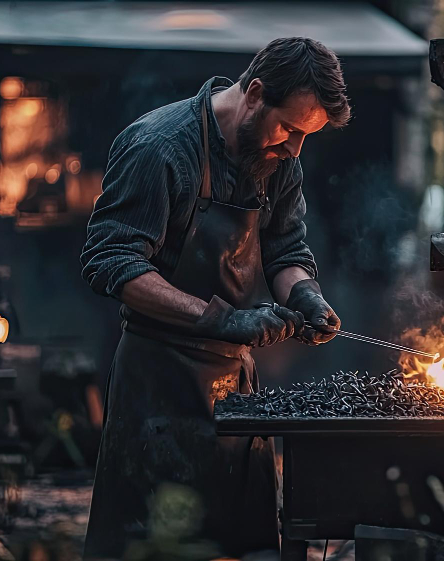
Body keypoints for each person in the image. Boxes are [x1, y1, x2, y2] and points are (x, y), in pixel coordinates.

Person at [80, 37, 349, 558]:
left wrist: (307, 296)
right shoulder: (159, 147)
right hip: (156, 392)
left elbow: (286, 251)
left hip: (235, 397)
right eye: (292, 129)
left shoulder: (278, 160)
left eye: (307, 137)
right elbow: (112, 263)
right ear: (254, 93)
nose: (296, 149)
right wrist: (219, 319)